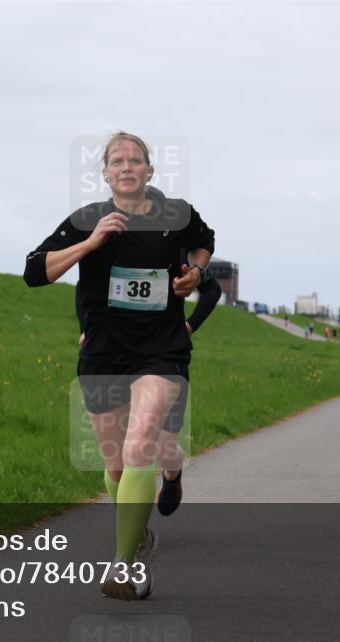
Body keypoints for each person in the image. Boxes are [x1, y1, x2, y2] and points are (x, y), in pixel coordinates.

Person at [24, 132, 215, 601]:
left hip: (161, 349)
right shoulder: (86, 219)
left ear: (150, 170)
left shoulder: (178, 214)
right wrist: (91, 243)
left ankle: (124, 565)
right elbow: (34, 271)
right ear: (106, 174)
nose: (126, 167)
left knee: (140, 444)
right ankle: (137, 534)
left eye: (134, 160)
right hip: (105, 352)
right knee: (113, 465)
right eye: (116, 161)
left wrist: (195, 273)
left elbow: (204, 243)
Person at [75, 254, 221, 518]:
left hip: (163, 358)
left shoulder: (176, 248)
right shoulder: (115, 246)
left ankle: (172, 474)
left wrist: (189, 325)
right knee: (120, 453)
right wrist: (86, 328)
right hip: (114, 357)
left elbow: (212, 290)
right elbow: (84, 285)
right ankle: (134, 531)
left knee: (164, 448)